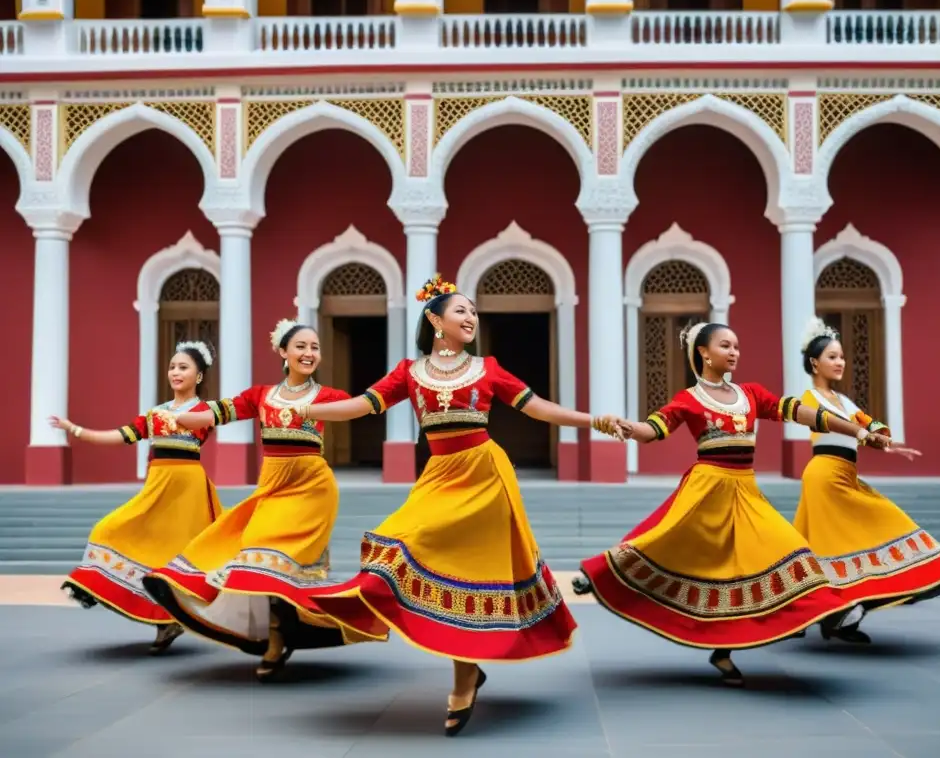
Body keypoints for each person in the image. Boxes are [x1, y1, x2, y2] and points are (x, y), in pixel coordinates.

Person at [300, 274, 623, 737]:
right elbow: (360, 406)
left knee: (467, 573)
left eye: (473, 312)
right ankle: (428, 644)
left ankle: (464, 674)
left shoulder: (488, 368)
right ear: (436, 319)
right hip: (440, 476)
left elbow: (539, 408)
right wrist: (309, 410)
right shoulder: (410, 372)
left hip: (486, 477)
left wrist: (595, 420)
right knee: (401, 544)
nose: (471, 317)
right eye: (461, 311)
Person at [574, 321, 889, 687]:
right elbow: (652, 431)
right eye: (726, 345)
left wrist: (860, 431)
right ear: (704, 353)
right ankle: (598, 574)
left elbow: (803, 413)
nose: (735, 352)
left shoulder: (751, 394)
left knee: (793, 553)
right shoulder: (688, 399)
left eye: (737, 346)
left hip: (746, 491)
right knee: (663, 539)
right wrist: (626, 427)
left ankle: (753, 638)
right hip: (707, 489)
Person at [143, 320, 381, 682]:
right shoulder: (261, 395)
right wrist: (176, 418)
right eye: (301, 346)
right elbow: (219, 413)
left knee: (277, 567)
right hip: (272, 488)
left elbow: (356, 408)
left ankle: (275, 639)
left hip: (312, 490)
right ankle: (277, 633)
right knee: (255, 557)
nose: (309, 353)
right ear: (283, 352)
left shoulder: (328, 395)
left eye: (315, 347)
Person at [792, 318, 940, 643]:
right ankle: (837, 613)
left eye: (842, 357)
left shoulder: (844, 400)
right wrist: (862, 431)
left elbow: (869, 424)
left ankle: (837, 614)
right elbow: (834, 425)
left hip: (846, 475)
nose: (840, 362)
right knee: (834, 544)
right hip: (824, 476)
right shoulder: (811, 398)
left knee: (871, 526)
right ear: (814, 362)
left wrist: (886, 442)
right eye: (832, 356)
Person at [56, 341, 222, 655]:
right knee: (107, 530)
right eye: (172, 366)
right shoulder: (156, 413)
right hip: (156, 490)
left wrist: (159, 420)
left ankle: (168, 623)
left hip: (187, 494)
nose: (175, 372)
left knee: (175, 558)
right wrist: (75, 430)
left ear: (199, 376)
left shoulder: (204, 411)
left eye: (183, 367)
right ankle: (165, 621)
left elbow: (201, 421)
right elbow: (119, 436)